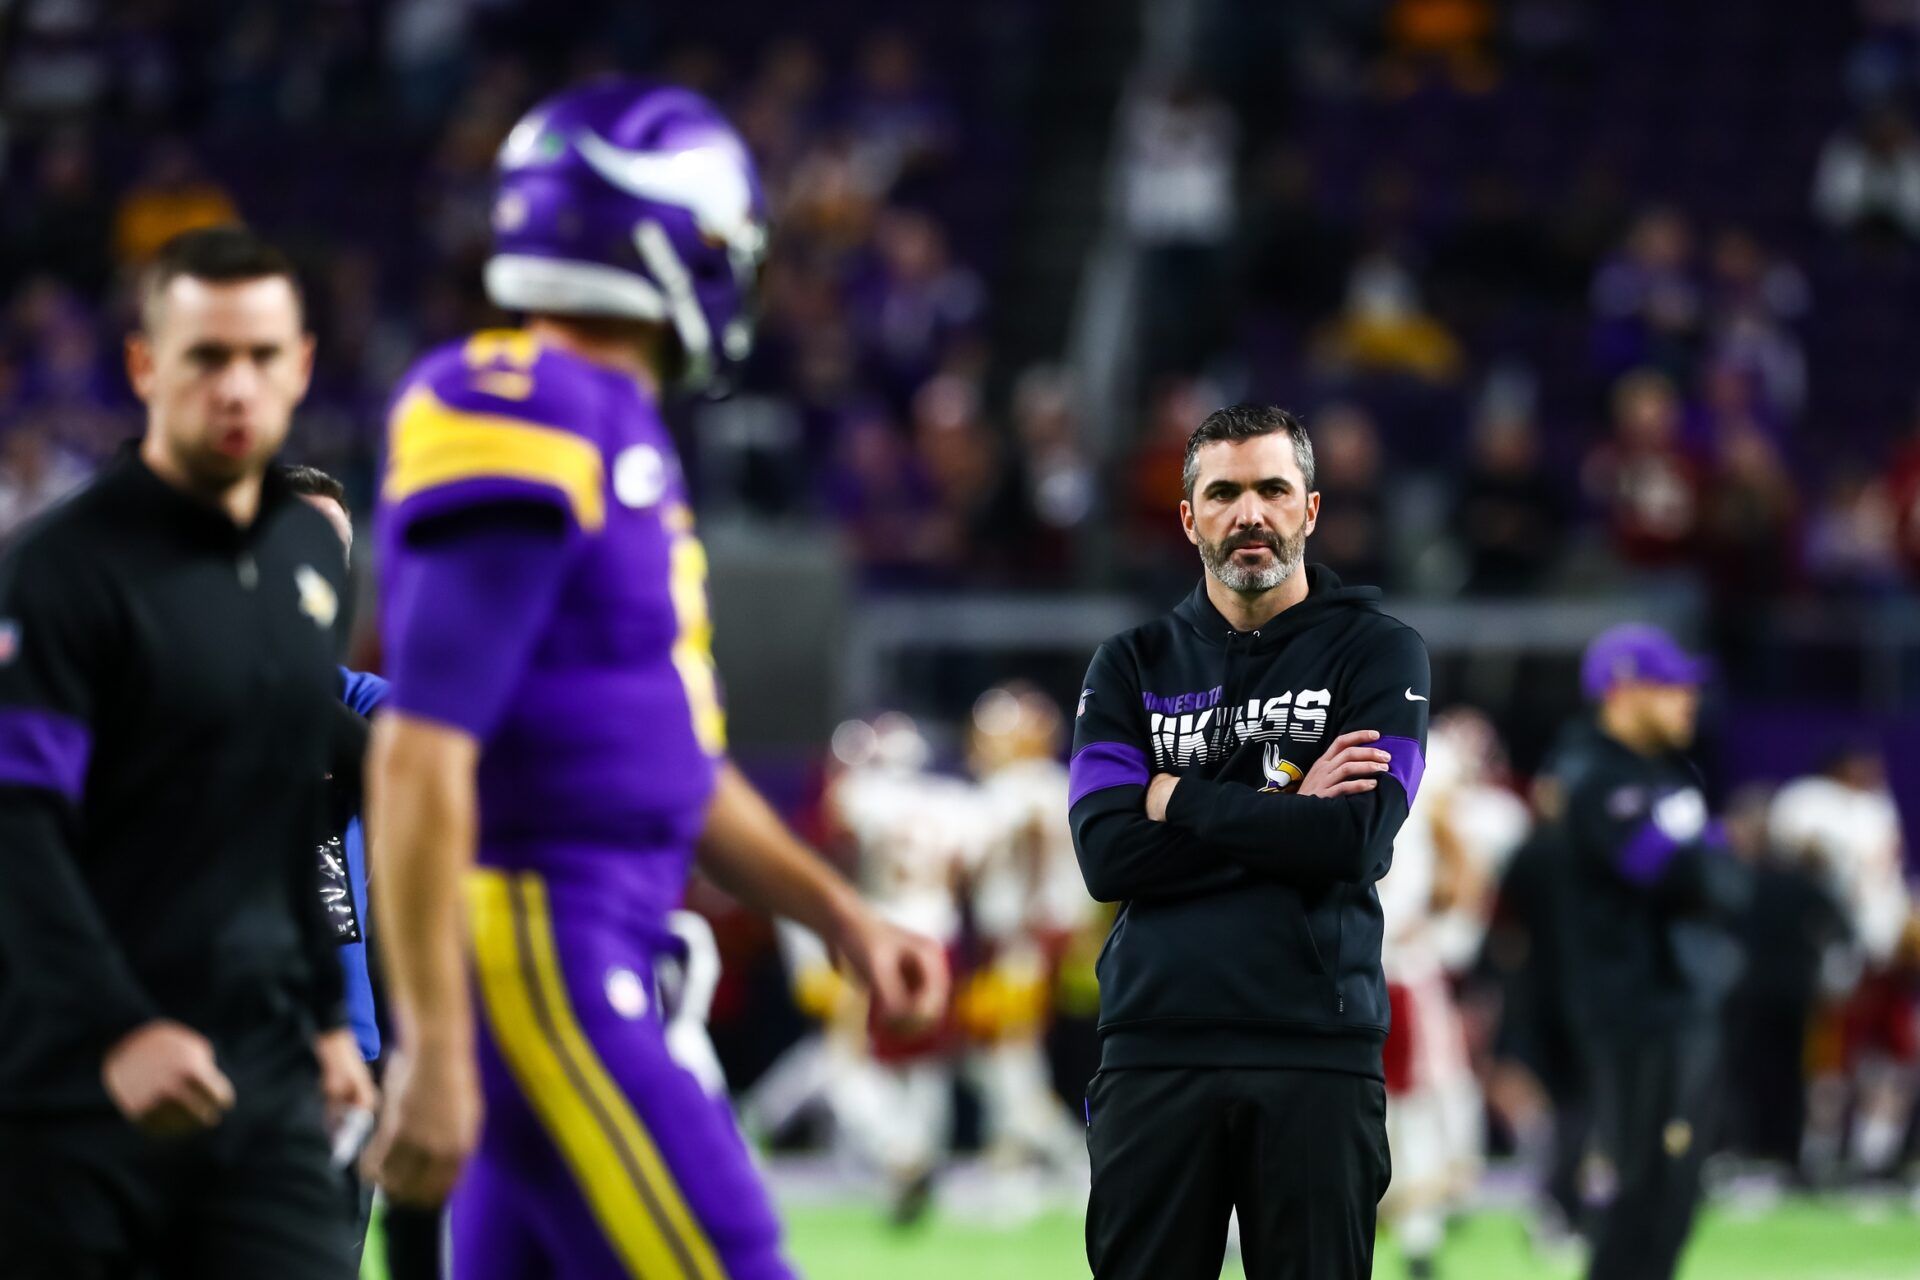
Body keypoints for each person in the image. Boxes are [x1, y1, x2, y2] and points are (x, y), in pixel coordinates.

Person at [360, 81, 950, 1279]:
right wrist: (425, 1039)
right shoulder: (523, 404)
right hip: (546, 940)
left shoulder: (618, 430)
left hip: (597, 936)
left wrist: (837, 913)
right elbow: (419, 747)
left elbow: (671, 766)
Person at [0, 225, 376, 1278]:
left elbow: (280, 822)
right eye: (206, 355)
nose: (236, 386)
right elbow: (18, 833)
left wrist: (325, 1020)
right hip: (84, 1088)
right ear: (144, 364)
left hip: (267, 1086)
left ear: (302, 366)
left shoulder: (304, 566)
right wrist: (120, 1028)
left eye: (262, 356)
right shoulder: (57, 575)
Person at [1071, 403, 1431, 1280]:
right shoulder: (1129, 663)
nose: (1251, 514)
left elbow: (1353, 838)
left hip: (1315, 1046)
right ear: (1189, 517)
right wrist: (1286, 810)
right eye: (1224, 493)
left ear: (1309, 509)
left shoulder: (1380, 655)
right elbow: (1107, 858)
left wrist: (1175, 794)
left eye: (1273, 489)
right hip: (1155, 1044)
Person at [1558, 624, 1750, 1280]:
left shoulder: (1669, 774)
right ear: (1622, 691)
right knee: (1637, 1194)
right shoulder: (1589, 771)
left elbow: (1729, 881)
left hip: (1680, 1005)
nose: (1687, 700)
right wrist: (1706, 856)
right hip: (1632, 1012)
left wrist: (1704, 860)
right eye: (1670, 687)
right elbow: (1672, 873)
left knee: (1674, 1197)